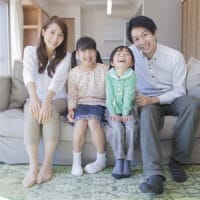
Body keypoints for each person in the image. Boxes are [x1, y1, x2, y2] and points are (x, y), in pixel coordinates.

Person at [127, 15, 200, 194]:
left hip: (173, 98)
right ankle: (154, 176)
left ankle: (177, 161)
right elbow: (119, 72)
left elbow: (179, 91)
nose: (142, 42)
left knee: (192, 103)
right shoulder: (131, 53)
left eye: (145, 35)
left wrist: (153, 99)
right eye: (136, 39)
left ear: (155, 33)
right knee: (147, 113)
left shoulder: (174, 57)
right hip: (149, 102)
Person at [22, 16, 71, 187]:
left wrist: (47, 101)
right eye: (51, 32)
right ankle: (33, 167)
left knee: (49, 113)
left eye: (60, 35)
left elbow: (58, 81)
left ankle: (47, 165)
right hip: (35, 96)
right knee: (31, 112)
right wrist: (35, 98)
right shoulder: (29, 51)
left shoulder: (66, 56)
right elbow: (27, 74)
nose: (55, 38)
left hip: (57, 98)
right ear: (43, 32)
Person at [67, 36, 107, 176]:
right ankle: (76, 161)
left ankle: (101, 159)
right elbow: (72, 95)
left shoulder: (104, 69)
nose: (88, 55)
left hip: (99, 103)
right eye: (83, 51)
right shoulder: (73, 72)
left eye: (91, 51)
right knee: (80, 124)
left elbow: (112, 91)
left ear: (96, 52)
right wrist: (71, 109)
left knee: (93, 121)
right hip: (81, 104)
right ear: (77, 53)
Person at [105, 46, 137, 179]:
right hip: (112, 110)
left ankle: (128, 161)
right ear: (112, 62)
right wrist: (113, 112)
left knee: (131, 128)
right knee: (117, 129)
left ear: (132, 62)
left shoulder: (132, 75)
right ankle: (119, 160)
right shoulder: (109, 75)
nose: (122, 56)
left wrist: (125, 114)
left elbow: (129, 95)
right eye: (118, 54)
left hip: (128, 110)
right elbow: (109, 95)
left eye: (126, 54)